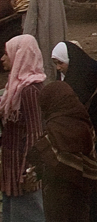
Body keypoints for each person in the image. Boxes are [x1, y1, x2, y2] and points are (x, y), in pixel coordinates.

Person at [51, 42, 97, 222]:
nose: (58, 67)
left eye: (60, 62)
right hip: (77, 142)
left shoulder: (91, 72)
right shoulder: (66, 77)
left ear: (71, 60)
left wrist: (96, 121)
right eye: (55, 63)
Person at [31, 81, 97, 222]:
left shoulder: (56, 126)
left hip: (59, 195)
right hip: (84, 192)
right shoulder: (82, 119)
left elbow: (47, 156)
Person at [0, 35, 46, 221]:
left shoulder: (29, 91)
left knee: (28, 210)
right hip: (12, 160)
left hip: (23, 164)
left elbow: (35, 133)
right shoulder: (15, 89)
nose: (3, 58)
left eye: (6, 54)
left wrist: (29, 169)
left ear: (19, 55)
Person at [23, 0, 70, 80]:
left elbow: (32, 14)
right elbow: (68, 1)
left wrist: (28, 35)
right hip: (59, 24)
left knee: (45, 53)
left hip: (42, 26)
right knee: (59, 50)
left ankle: (48, 80)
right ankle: (60, 77)